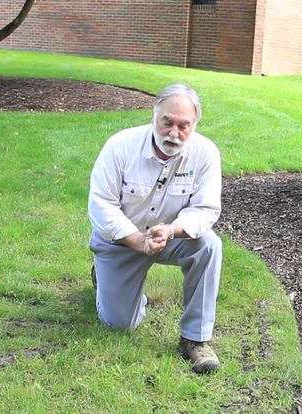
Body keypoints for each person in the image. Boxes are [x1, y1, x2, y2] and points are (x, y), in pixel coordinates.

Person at [87, 83, 223, 374]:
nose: (174, 133)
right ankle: (103, 276)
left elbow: (206, 208)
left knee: (209, 245)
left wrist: (172, 230)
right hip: (121, 241)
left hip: (170, 236)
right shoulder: (120, 146)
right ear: (154, 116)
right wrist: (136, 239)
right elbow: (101, 205)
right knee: (121, 324)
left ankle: (195, 339)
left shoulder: (206, 153)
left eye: (183, 126)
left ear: (194, 124)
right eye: (167, 122)